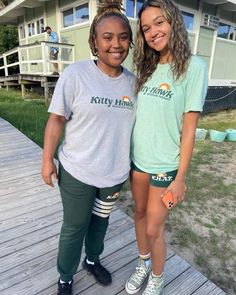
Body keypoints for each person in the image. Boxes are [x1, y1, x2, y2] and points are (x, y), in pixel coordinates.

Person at [41, 1, 135, 294]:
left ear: (129, 41)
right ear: (95, 41)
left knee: (100, 222)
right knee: (75, 226)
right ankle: (66, 276)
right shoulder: (76, 74)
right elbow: (56, 120)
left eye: (122, 37)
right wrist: (47, 160)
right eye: (107, 37)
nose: (115, 44)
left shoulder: (133, 84)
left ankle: (93, 260)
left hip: (113, 174)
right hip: (78, 171)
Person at [125, 0, 208, 294]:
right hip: (139, 163)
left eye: (159, 22)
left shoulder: (194, 67)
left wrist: (181, 177)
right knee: (139, 215)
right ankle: (143, 263)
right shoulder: (147, 68)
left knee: (153, 228)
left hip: (165, 167)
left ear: (173, 22)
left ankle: (158, 278)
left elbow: (189, 128)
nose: (153, 32)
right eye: (146, 28)